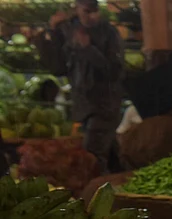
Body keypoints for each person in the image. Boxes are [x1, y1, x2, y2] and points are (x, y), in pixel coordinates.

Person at [45, 0, 123, 173]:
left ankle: (96, 195)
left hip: (104, 106)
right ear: (77, 9)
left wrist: (88, 48)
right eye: (87, 11)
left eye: (94, 11)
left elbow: (114, 71)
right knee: (109, 157)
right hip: (83, 106)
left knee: (92, 158)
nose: (92, 16)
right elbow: (57, 67)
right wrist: (52, 33)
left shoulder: (109, 33)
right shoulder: (70, 32)